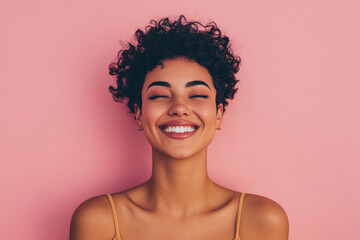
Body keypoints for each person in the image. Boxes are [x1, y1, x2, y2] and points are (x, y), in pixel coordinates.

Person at [70, 15, 289, 240]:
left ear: (218, 115)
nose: (179, 108)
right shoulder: (97, 221)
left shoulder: (262, 220)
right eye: (160, 95)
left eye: (197, 95)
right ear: (138, 115)